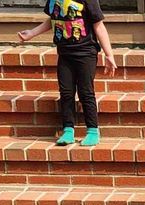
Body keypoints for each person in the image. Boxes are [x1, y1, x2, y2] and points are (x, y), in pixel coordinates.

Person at [18, 0, 117, 147]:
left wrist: (109, 55)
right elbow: (53, 19)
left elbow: (99, 25)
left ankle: (92, 130)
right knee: (66, 92)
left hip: (85, 53)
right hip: (64, 53)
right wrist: (32, 33)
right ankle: (68, 130)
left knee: (86, 92)